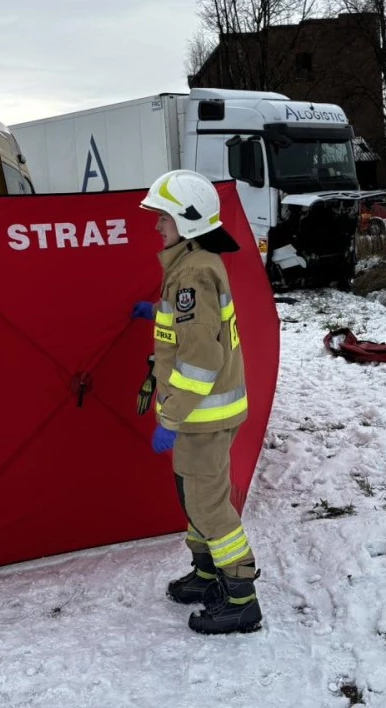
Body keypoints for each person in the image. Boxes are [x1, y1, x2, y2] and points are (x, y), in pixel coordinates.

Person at [132, 169, 262, 635]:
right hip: (201, 415)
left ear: (186, 223)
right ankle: (207, 574)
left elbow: (203, 357)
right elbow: (194, 332)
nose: (156, 228)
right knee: (192, 495)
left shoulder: (191, 273)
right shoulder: (193, 268)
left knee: (208, 504)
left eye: (162, 219)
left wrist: (169, 416)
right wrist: (161, 317)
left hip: (203, 415)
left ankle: (241, 596)